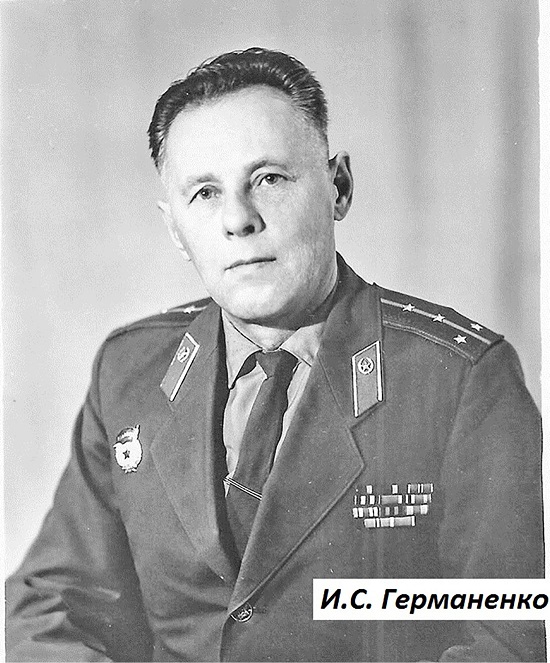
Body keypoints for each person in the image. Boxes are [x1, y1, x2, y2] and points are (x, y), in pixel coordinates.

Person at [6, 47, 544, 662]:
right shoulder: (131, 371)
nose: (239, 219)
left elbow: (510, 634)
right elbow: (51, 604)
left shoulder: (458, 379)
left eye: (269, 180)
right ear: (175, 228)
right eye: (205, 193)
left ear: (338, 188)